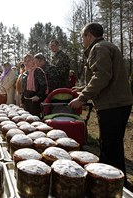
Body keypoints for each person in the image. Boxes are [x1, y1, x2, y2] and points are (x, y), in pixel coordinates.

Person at [68, 22, 133, 186]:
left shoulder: (99, 48)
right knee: (114, 145)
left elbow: (102, 76)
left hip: (112, 105)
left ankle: (107, 183)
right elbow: (104, 76)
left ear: (89, 35)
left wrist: (82, 98)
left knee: (108, 147)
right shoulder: (106, 46)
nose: (82, 40)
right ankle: (119, 181)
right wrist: (82, 88)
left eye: (83, 36)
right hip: (117, 103)